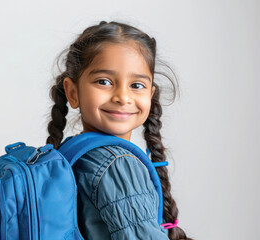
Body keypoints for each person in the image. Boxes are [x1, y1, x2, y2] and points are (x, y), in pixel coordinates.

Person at [46, 21, 191, 240]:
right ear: (72, 92)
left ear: (150, 94)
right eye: (103, 81)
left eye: (136, 85)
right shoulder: (119, 164)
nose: (122, 97)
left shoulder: (71, 152)